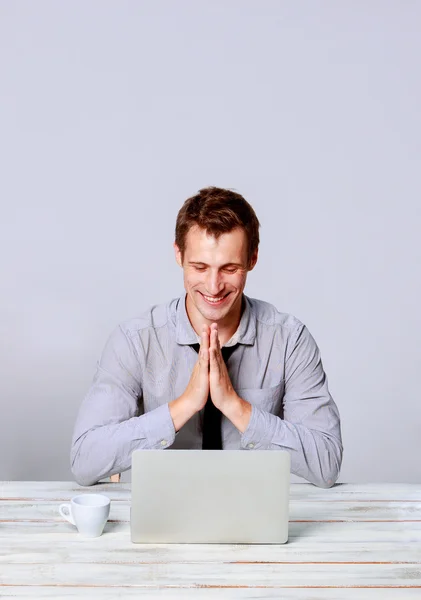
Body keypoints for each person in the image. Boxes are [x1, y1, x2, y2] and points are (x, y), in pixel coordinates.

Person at [71, 186, 343, 488]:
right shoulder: (135, 340)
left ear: (252, 259)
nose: (214, 286)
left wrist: (236, 406)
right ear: (178, 254)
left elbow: (327, 463)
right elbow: (84, 461)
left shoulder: (290, 340)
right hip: (165, 513)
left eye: (230, 268)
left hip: (254, 511)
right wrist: (185, 405)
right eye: (200, 267)